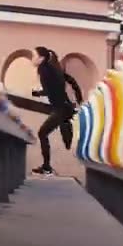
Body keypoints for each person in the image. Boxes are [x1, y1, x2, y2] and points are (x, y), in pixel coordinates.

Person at [31, 46, 83, 175]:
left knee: (42, 133)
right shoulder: (52, 68)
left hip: (61, 108)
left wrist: (37, 93)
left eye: (34, 56)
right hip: (64, 107)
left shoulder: (44, 70)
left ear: (41, 58)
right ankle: (66, 126)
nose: (32, 59)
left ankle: (47, 166)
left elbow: (50, 90)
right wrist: (79, 97)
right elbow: (71, 81)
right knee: (50, 133)